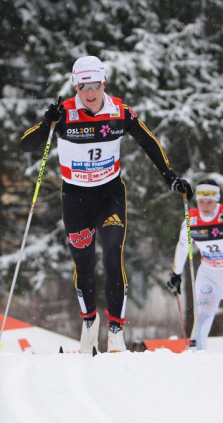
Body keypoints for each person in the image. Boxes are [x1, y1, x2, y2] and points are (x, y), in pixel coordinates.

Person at [20, 55, 192, 354]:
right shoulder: (64, 114)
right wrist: (47, 122)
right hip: (75, 198)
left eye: (95, 85)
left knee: (113, 257)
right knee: (84, 264)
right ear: (76, 85)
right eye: (83, 86)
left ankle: (115, 332)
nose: (89, 93)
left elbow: (149, 142)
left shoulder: (119, 112)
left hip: (110, 194)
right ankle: (89, 323)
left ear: (104, 84)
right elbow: (26, 144)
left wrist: (171, 177)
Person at [167, 180, 223, 350]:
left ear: (217, 200)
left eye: (210, 202)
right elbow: (183, 247)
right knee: (202, 318)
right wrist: (176, 274)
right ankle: (196, 356)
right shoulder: (191, 219)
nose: (205, 206)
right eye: (201, 201)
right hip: (208, 274)